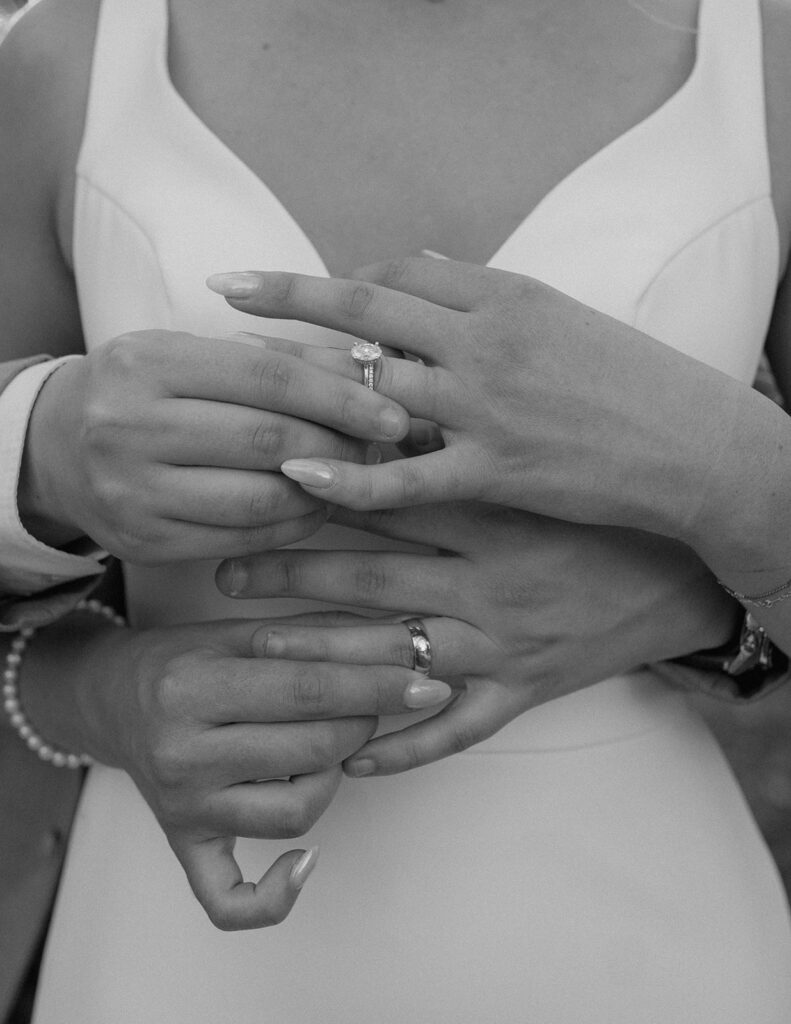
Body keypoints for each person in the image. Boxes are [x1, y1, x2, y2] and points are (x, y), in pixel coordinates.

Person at [1, 0, 791, 1020]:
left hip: (647, 946)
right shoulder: (73, 53)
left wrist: (718, 478)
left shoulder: (760, 55)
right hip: (169, 955)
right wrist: (47, 476)